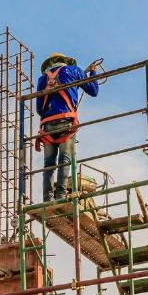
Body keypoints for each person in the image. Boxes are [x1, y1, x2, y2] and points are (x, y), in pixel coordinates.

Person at [35, 53, 100, 202]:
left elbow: (39, 109)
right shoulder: (74, 71)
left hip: (47, 126)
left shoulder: (42, 79)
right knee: (64, 160)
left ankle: (47, 198)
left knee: (48, 164)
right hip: (66, 122)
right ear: (65, 62)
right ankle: (60, 196)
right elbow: (94, 91)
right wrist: (93, 72)